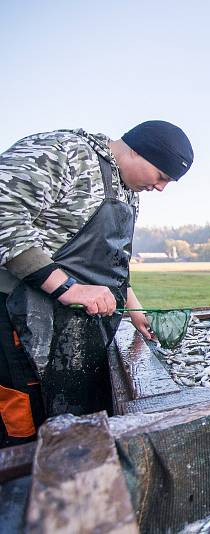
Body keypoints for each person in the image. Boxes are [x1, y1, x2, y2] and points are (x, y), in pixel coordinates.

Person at [0, 121, 193, 447]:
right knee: (27, 430)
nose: (161, 188)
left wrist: (134, 308)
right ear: (138, 150)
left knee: (72, 428)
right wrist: (68, 289)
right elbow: (4, 212)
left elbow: (112, 260)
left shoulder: (127, 190)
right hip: (21, 321)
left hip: (76, 333)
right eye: (161, 176)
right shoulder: (66, 153)